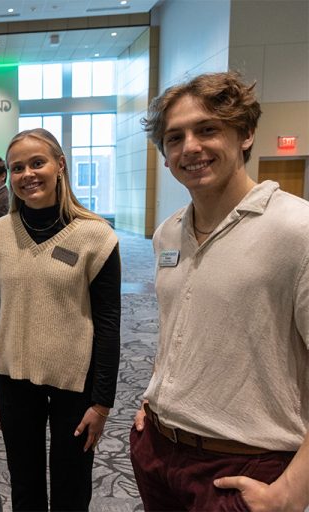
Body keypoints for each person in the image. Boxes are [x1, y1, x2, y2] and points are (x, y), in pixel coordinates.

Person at [130, 71, 309, 510]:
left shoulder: (297, 231)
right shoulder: (167, 234)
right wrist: (156, 401)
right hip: (158, 450)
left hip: (244, 465)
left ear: (245, 134)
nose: (190, 147)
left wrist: (290, 493)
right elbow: (181, 327)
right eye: (175, 138)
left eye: (208, 129)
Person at [0, 128, 121, 511]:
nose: (27, 174)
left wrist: (103, 402)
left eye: (37, 162)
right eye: (17, 167)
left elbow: (109, 322)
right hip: (13, 381)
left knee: (71, 489)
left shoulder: (96, 235)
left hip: (75, 385)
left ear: (60, 165)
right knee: (24, 487)